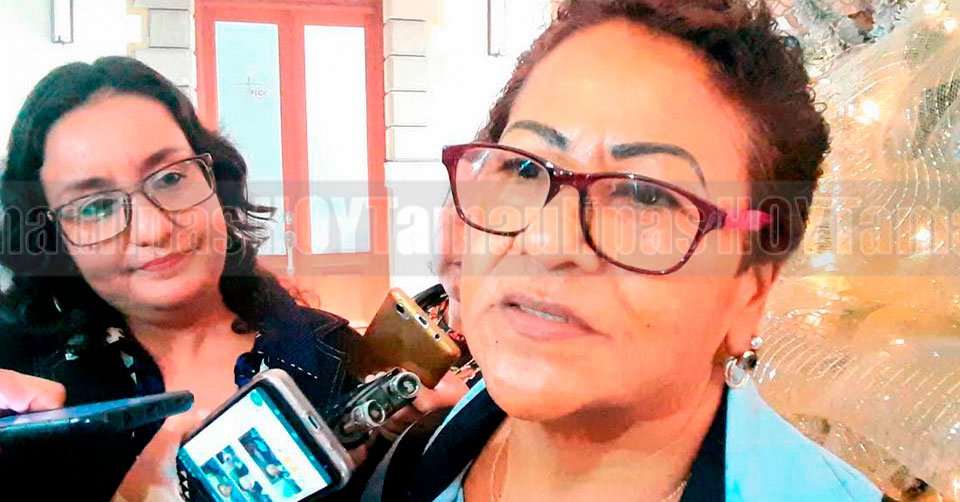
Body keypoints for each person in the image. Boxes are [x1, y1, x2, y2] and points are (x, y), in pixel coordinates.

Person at [367, 1, 883, 501]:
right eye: (523, 168)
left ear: (750, 288)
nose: (547, 241)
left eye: (646, 196)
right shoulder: (413, 455)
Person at [0, 57, 369, 501]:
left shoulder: (342, 358)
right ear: (55, 238)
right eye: (96, 207)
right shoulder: (20, 392)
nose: (153, 228)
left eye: (171, 178)